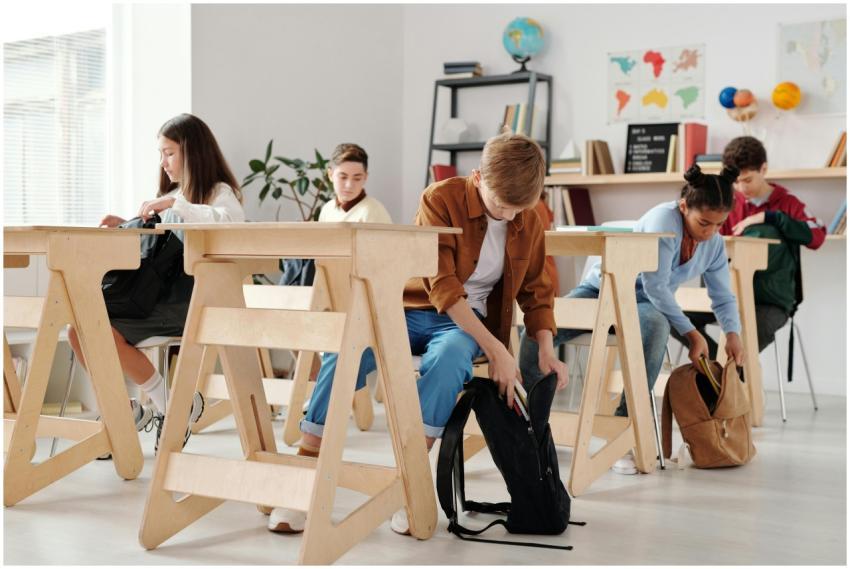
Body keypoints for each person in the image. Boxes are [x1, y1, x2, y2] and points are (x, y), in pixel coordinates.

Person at [267, 132, 568, 535]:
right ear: (478, 177)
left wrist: (545, 349)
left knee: (449, 361)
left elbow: (537, 290)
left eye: (520, 209)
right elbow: (441, 284)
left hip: (468, 324)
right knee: (348, 349)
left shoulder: (527, 219)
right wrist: (498, 349)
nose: (511, 217)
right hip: (409, 309)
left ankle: (405, 482)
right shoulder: (440, 199)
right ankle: (304, 470)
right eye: (502, 205)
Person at [519, 164, 746, 475]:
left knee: (655, 326)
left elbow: (721, 295)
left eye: (718, 225)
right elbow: (655, 285)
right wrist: (693, 334)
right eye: (703, 222)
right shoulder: (663, 220)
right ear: (684, 207)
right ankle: (529, 424)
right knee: (539, 326)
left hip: (643, 303)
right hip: (601, 291)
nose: (709, 232)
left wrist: (732, 331)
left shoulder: (714, 245)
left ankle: (624, 431)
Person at [68, 113, 245, 454]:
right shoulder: (175, 196)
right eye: (161, 154)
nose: (163, 162)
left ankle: (169, 407)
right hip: (154, 297)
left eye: (169, 153)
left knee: (90, 323)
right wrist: (129, 225)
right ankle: (134, 410)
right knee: (80, 327)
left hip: (189, 300)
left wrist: (175, 205)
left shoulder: (218, 193)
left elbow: (231, 225)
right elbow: (160, 245)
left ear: (191, 153)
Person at [671, 136, 826, 358]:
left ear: (763, 169)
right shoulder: (728, 203)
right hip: (725, 297)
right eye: (737, 182)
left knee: (746, 341)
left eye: (748, 180)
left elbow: (817, 237)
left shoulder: (787, 202)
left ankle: (726, 377)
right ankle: (721, 372)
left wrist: (772, 217)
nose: (742, 188)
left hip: (769, 302)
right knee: (673, 317)